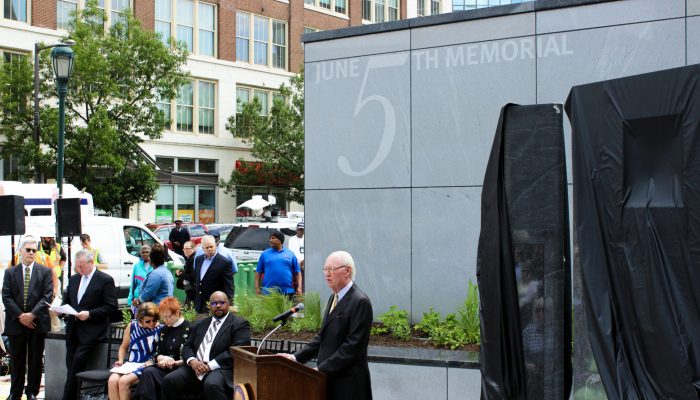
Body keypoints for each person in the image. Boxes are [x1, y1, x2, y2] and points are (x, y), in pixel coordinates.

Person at [280, 251, 373, 400]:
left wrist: (320, 370)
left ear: (347, 271)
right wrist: (295, 358)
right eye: (325, 269)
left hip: (348, 384)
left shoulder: (360, 301)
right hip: (329, 378)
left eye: (331, 269)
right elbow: (323, 337)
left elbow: (352, 347)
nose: (327, 274)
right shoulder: (333, 297)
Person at [162, 292, 250, 400]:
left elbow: (237, 350)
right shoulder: (200, 323)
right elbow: (187, 346)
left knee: (211, 385)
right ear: (209, 306)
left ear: (228, 304)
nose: (218, 305)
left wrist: (209, 366)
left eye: (222, 302)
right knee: (169, 380)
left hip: (220, 368)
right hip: (195, 367)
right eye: (214, 303)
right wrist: (192, 361)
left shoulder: (239, 324)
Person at [61, 248, 118, 400]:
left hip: (92, 330)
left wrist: (90, 314)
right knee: (70, 366)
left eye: (81, 266)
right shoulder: (74, 279)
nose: (79, 269)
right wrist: (60, 310)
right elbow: (68, 301)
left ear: (91, 262)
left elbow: (111, 306)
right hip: (73, 329)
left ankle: (67, 397)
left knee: (76, 365)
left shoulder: (104, 279)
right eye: (77, 266)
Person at [1, 236, 53, 400]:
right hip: (16, 323)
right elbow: (6, 296)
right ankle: (15, 393)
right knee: (16, 360)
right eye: (28, 250)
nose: (31, 253)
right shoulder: (10, 272)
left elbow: (47, 296)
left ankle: (32, 392)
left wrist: (31, 315)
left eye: (34, 250)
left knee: (35, 360)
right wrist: (21, 316)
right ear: (21, 251)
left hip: (37, 322)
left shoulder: (44, 271)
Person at [136, 297, 191, 400]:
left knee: (168, 379)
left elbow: (193, 355)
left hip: (182, 368)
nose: (165, 320)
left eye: (167, 317)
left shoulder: (190, 329)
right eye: (163, 317)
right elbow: (157, 352)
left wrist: (174, 362)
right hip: (165, 367)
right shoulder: (164, 330)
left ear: (177, 313)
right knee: (148, 372)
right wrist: (161, 358)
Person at [107, 302, 163, 400]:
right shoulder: (132, 326)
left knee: (123, 381)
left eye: (154, 320)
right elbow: (123, 347)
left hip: (147, 364)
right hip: (131, 364)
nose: (152, 323)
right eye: (148, 321)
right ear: (141, 320)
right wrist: (120, 360)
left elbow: (161, 351)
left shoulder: (160, 329)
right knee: (112, 380)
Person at [255, 230, 302, 298]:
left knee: (287, 309)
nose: (271, 240)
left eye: (273, 238)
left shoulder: (290, 254)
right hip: (268, 292)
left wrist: (299, 288)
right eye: (270, 238)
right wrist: (257, 288)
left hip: (287, 292)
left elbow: (297, 272)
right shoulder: (265, 254)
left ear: (280, 240)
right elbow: (258, 272)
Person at [193, 236, 233, 313]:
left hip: (216, 303)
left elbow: (229, 285)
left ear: (215, 246)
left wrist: (230, 303)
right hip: (200, 302)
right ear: (203, 248)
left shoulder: (224, 262)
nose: (209, 249)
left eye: (211, 246)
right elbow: (198, 279)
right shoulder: (198, 259)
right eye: (207, 247)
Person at [128, 245, 153, 315]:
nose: (145, 254)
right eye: (143, 252)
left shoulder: (154, 265)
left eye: (147, 252)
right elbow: (133, 284)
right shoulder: (137, 266)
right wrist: (130, 300)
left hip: (150, 299)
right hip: (137, 299)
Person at [287, 222, 305, 291]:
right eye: (299, 229)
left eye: (302, 230)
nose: (301, 231)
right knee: (297, 283)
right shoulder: (292, 240)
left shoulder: (307, 238)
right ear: (296, 230)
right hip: (296, 265)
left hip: (305, 265)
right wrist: (299, 263)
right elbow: (292, 253)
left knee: (304, 284)